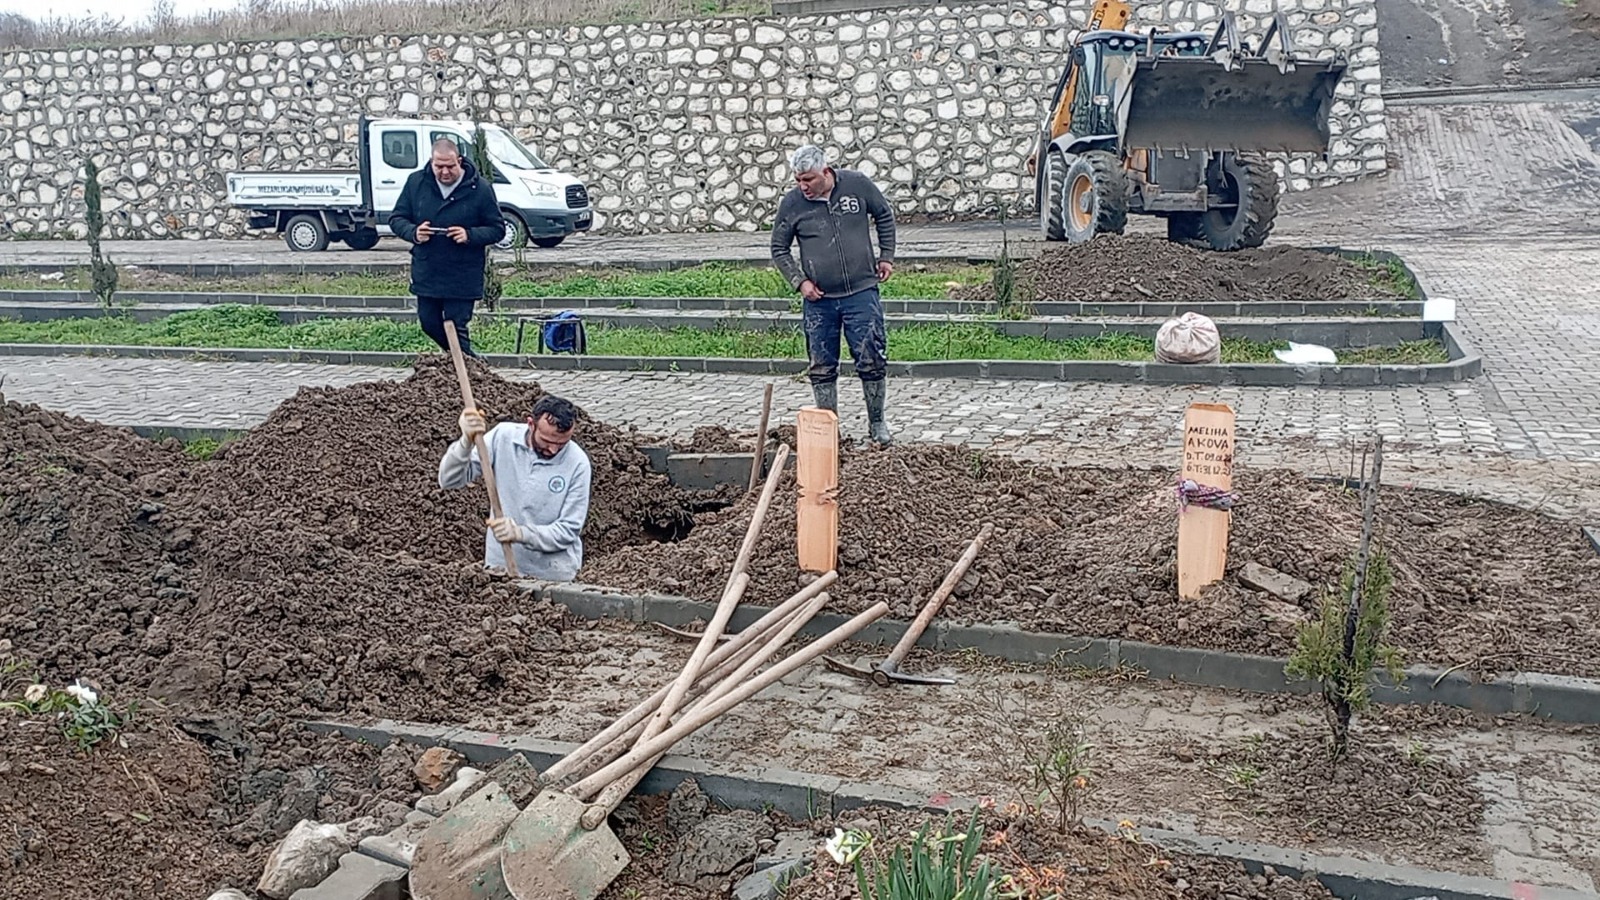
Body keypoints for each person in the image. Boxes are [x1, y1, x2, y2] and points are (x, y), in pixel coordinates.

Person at [769, 144, 897, 446]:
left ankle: (877, 423)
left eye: (809, 179)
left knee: (871, 357)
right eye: (798, 180)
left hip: (861, 292)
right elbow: (779, 248)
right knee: (822, 365)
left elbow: (884, 215)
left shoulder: (857, 185)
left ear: (826, 172)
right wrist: (799, 281)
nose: (804, 186)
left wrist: (886, 256)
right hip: (819, 301)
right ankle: (829, 430)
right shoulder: (792, 204)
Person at [438, 394, 592, 582]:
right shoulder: (502, 438)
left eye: (561, 444)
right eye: (547, 441)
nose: (553, 450)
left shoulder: (577, 463)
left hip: (553, 579)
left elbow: (568, 530)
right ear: (531, 424)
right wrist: (465, 442)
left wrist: (520, 533)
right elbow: (449, 480)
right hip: (498, 573)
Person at [389, 138, 506, 356]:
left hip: (462, 273)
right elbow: (397, 219)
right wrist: (414, 232)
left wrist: (469, 234)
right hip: (428, 271)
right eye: (438, 166)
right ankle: (469, 365)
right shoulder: (416, 183)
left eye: (450, 166)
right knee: (429, 323)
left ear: (459, 161)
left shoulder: (479, 188)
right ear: (431, 162)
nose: (444, 172)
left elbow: (497, 229)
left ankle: (469, 373)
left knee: (455, 325)